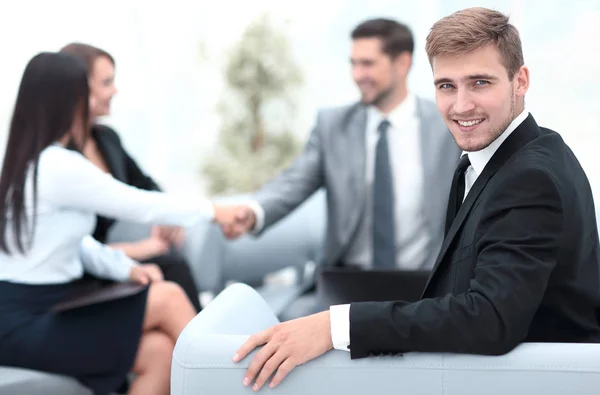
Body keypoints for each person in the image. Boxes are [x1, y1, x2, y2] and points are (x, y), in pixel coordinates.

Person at [230, 7, 600, 391]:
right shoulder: (506, 155)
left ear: (520, 80)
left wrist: (334, 326)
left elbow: (491, 320)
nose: (460, 106)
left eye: (480, 83)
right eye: (446, 86)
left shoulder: (529, 177)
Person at [0, 52, 234, 395]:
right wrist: (214, 211)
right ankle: (234, 386)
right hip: (26, 318)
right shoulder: (57, 166)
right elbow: (136, 203)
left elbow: (76, 243)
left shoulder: (28, 163)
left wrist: (123, 268)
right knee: (168, 298)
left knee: (160, 353)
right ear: (70, 102)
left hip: (41, 309)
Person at [218, 18, 461, 316]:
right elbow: (294, 182)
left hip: (428, 282)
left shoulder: (446, 123)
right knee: (288, 322)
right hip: (348, 283)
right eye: (353, 64)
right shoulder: (332, 126)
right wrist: (252, 212)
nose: (358, 75)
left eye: (368, 64)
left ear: (402, 63)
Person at [59, 42, 202, 312]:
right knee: (172, 266)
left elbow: (144, 185)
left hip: (112, 260)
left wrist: (167, 215)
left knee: (171, 260)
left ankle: (204, 345)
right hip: (83, 272)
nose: (115, 90)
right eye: (106, 82)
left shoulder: (106, 139)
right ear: (79, 88)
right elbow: (76, 246)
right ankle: (207, 350)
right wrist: (141, 249)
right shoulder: (60, 160)